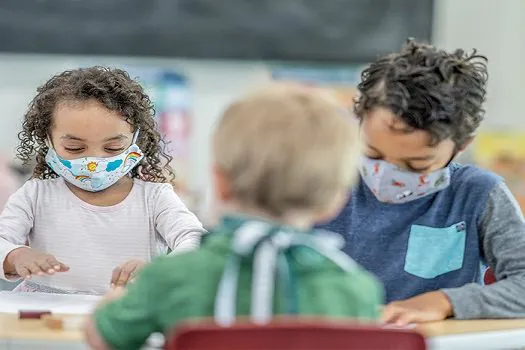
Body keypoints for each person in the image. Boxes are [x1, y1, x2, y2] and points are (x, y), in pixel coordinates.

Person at [84, 85, 383, 350]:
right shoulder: (356, 290)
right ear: (335, 201)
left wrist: (111, 306)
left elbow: (103, 338)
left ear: (220, 182)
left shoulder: (171, 276)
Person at [318, 39, 525, 324]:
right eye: (372, 154)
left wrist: (446, 301)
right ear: (359, 119)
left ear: (461, 146)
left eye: (416, 166)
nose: (388, 174)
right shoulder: (320, 181)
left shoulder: (476, 194)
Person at [0, 67, 205, 294]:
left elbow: (194, 239)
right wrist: (16, 256)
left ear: (136, 139)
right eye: (75, 148)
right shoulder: (35, 195)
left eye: (112, 147)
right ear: (48, 140)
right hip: (44, 317)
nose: (94, 160)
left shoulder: (154, 198)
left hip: (123, 314)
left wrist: (160, 269)